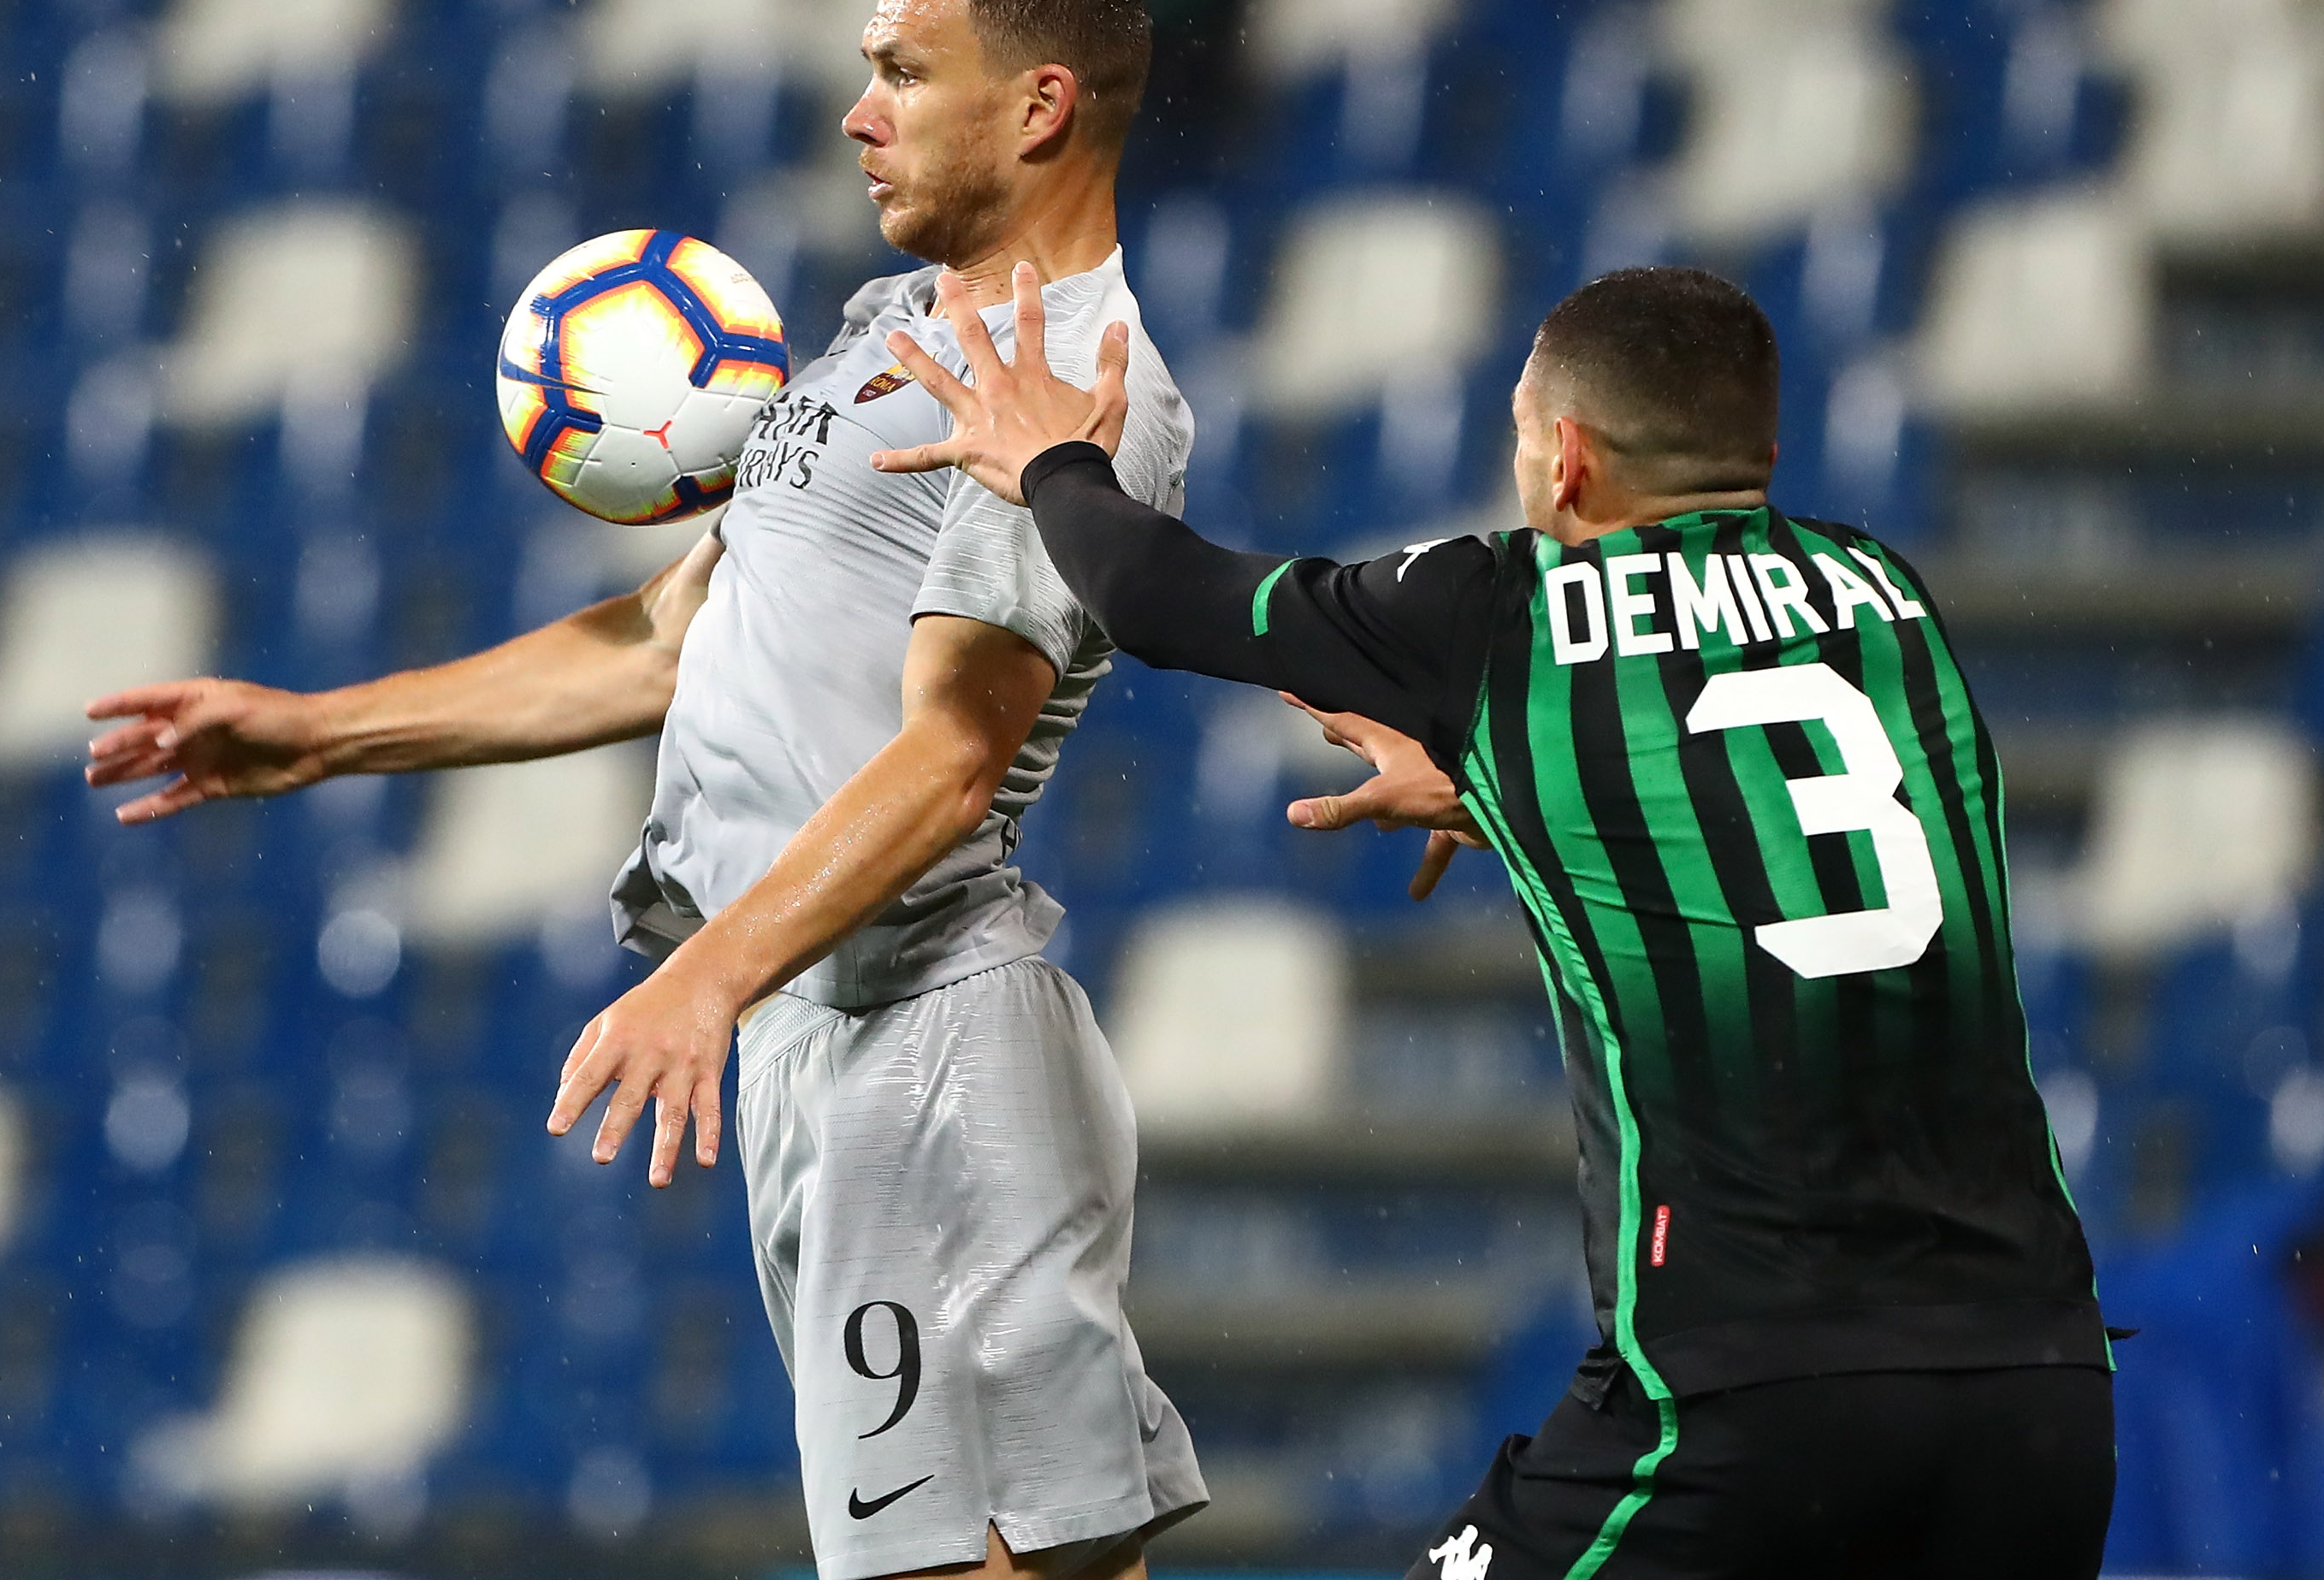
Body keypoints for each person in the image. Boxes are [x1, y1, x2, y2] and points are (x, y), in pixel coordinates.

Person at [85, 0, 1205, 1580]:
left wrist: (705, 972)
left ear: (1039, 106)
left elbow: (957, 755)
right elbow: (669, 638)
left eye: (905, 71)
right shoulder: (886, 329)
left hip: (926, 1040)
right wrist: (319, 735)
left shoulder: (1073, 385)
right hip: (829, 1045)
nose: (860, 111)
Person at [873, 263, 2115, 1579]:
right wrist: (1505, 787)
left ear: (1566, 459)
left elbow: (1162, 594)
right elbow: (1781, 807)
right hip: (2037, 1387)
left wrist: (1056, 461)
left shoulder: (1500, 612)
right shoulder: (1892, 597)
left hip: (1747, 1393)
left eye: (1521, 430)